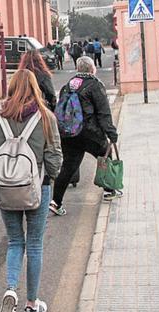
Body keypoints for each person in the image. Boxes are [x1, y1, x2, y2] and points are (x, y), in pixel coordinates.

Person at [0, 69, 63, 312]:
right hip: (37, 189)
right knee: (34, 244)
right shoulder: (46, 117)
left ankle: (10, 289)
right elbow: (55, 160)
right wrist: (47, 178)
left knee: (15, 241)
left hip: (6, 190)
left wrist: (3, 175)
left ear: (12, 87)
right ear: (35, 88)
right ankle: (31, 305)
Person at [49, 56, 121, 217]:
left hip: (69, 134)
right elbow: (103, 112)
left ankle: (56, 202)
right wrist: (111, 133)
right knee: (105, 157)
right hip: (90, 133)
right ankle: (110, 190)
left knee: (68, 167)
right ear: (91, 68)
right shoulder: (95, 85)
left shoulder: (68, 86)